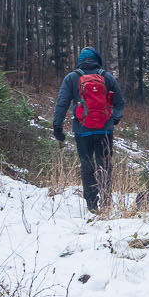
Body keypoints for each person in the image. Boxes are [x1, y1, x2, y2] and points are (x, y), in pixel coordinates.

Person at [52, 47, 124, 212]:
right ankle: (106, 204)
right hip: (104, 130)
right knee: (104, 166)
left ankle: (92, 206)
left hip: (82, 130)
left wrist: (57, 126)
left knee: (87, 166)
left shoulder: (72, 78)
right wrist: (115, 118)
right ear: (97, 60)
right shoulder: (107, 77)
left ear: (81, 61)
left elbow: (62, 103)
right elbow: (120, 103)